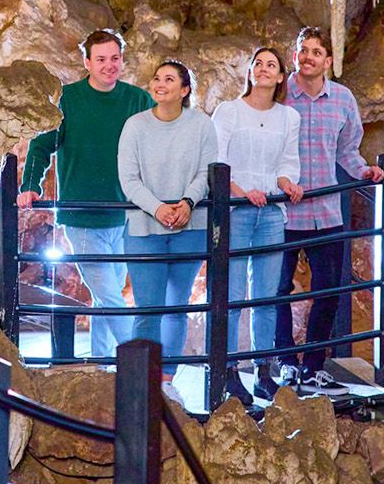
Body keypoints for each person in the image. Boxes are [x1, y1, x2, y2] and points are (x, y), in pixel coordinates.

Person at [19, 30, 154, 358]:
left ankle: (103, 363)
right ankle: (143, 364)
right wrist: (30, 186)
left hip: (125, 217)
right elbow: (40, 146)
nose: (109, 65)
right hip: (81, 217)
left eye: (115, 58)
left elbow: (158, 144)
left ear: (122, 59)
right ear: (87, 62)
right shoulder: (68, 100)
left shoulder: (137, 100)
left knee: (107, 297)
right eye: (102, 59)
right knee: (110, 296)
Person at [273, 26, 384, 392]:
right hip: (282, 213)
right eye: (302, 50)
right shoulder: (277, 93)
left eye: (316, 52)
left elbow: (347, 151)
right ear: (295, 57)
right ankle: (286, 362)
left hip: (325, 211)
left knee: (327, 291)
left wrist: (364, 171)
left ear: (329, 60)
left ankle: (315, 365)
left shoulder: (341, 99)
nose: (308, 57)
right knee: (276, 291)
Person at [117, 60, 217, 379]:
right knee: (148, 309)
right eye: (157, 78)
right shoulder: (135, 125)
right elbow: (128, 178)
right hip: (145, 228)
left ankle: (168, 379)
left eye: (169, 79)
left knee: (177, 307)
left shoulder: (201, 125)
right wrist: (158, 208)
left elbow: (207, 171)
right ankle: (144, 382)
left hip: (190, 227)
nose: (160, 83)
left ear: (184, 90)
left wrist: (188, 202)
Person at [211, 47, 300, 402]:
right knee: (232, 295)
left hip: (271, 213)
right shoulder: (229, 112)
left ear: (280, 77)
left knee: (266, 296)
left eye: (271, 65)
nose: (263, 69)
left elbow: (287, 162)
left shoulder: (288, 117)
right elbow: (217, 160)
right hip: (236, 209)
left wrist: (287, 184)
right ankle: (228, 371)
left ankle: (264, 371)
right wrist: (240, 192)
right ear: (250, 72)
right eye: (258, 64)